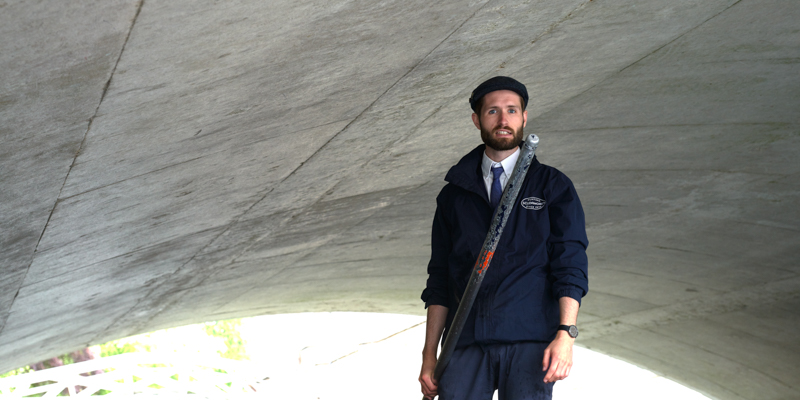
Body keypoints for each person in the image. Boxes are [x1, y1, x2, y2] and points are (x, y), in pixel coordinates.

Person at [418, 76, 589, 400]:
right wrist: (429, 354)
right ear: (477, 120)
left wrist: (566, 334)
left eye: (512, 110)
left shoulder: (551, 186)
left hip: (530, 339)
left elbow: (570, 262)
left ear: (524, 118)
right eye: (492, 111)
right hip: (464, 340)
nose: (503, 119)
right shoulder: (454, 196)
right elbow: (439, 278)